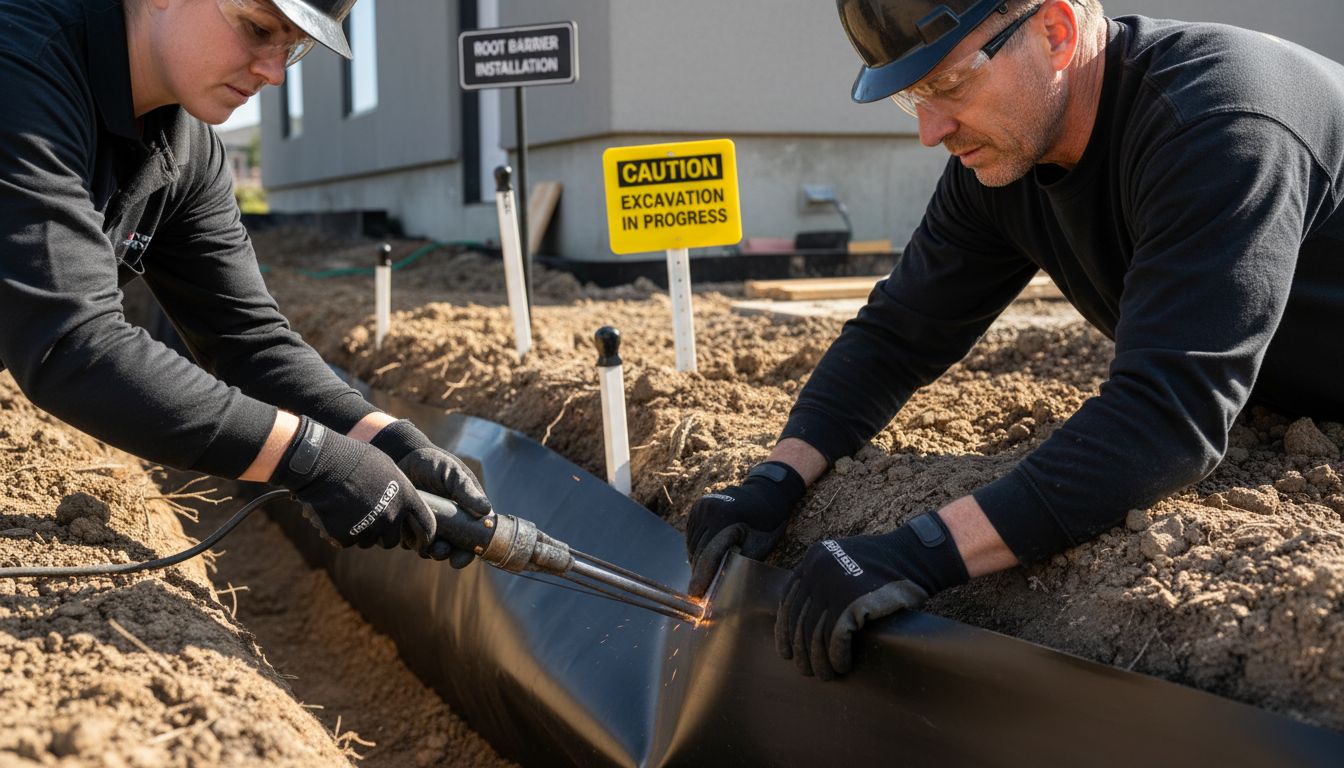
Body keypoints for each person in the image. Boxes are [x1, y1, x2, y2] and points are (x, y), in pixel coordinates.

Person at [686, 0, 1344, 680]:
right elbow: (897, 335)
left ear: (1055, 32)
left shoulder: (1218, 124)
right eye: (915, 97)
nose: (931, 130)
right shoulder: (1008, 154)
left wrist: (919, 553)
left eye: (949, 83)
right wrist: (773, 481)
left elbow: (1166, 419)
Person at [0, 0, 491, 562]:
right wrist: (308, 456)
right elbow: (71, 342)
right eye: (257, 29)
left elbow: (248, 338)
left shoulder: (183, 145)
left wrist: (387, 440)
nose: (274, 72)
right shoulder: (21, 68)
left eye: (293, 47)